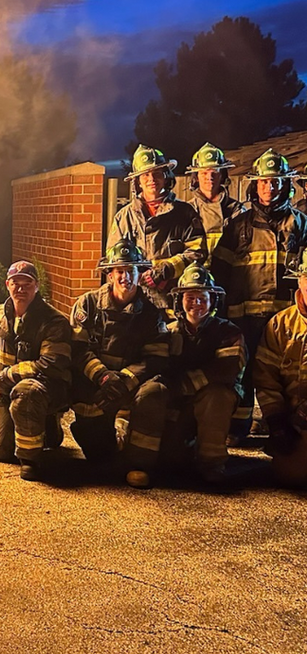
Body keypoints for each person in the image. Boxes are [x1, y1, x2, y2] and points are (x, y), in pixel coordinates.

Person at [212, 148, 307, 445]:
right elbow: (220, 271)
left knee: (281, 374)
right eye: (264, 181)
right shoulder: (238, 225)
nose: (270, 187)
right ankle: (237, 429)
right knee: (242, 373)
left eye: (276, 181)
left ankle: (281, 427)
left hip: (285, 320)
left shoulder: (301, 224)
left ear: (286, 184)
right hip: (244, 316)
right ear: (255, 184)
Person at [70, 239, 170, 488]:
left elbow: (155, 358)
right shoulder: (88, 304)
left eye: (131, 271)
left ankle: (138, 460)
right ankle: (96, 433)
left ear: (140, 274)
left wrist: (124, 381)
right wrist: (103, 377)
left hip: (131, 385)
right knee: (100, 456)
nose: (126, 278)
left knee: (154, 393)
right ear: (110, 274)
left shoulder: (151, 312)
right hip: (97, 385)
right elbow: (78, 350)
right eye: (120, 272)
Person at [0, 260, 71, 480]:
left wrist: (7, 376)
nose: (21, 289)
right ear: (7, 285)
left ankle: (31, 459)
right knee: (0, 450)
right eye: (15, 283)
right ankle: (35, 427)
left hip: (44, 390)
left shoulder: (54, 321)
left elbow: (50, 364)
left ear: (37, 286)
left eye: (27, 284)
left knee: (27, 391)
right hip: (7, 390)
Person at [164, 265, 246, 483]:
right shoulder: (169, 332)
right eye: (190, 297)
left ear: (213, 301)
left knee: (216, 396)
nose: (196, 304)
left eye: (202, 298)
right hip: (180, 400)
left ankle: (212, 463)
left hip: (212, 400)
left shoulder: (228, 332)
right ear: (180, 300)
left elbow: (227, 370)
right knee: (172, 460)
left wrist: (187, 384)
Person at [108, 144, 206, 310]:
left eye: (157, 173)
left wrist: (165, 271)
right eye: (145, 175)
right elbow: (113, 260)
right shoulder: (124, 217)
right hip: (135, 304)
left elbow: (197, 252)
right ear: (137, 181)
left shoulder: (184, 213)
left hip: (173, 303)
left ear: (166, 176)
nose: (151, 179)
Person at [253, 252, 307, 487]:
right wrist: (277, 422)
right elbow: (266, 379)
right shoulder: (280, 325)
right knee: (289, 475)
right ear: (300, 281)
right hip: (294, 422)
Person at [185, 142, 247, 255]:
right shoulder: (187, 211)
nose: (209, 177)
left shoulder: (237, 210)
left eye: (214, 171)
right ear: (196, 177)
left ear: (222, 175)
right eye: (204, 173)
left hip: (227, 270)